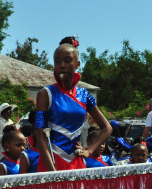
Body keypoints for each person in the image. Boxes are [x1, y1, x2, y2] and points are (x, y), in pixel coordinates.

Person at [36, 37, 111, 172]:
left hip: (76, 161)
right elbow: (40, 135)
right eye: (57, 61)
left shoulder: (84, 95)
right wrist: (52, 172)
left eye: (68, 60)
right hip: (52, 161)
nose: (62, 65)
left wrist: (89, 151)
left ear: (77, 64)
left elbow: (107, 128)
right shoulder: (46, 94)